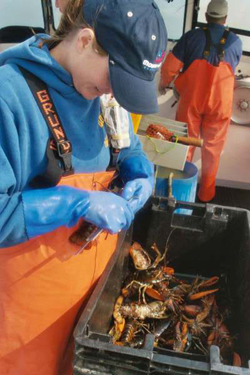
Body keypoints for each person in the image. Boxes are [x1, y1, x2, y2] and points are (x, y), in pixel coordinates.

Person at [0, 0, 167, 374]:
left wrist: (140, 169)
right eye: (115, 78)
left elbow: (127, 145)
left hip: (91, 311)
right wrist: (73, 203)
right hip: (26, 328)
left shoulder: (105, 95)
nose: (115, 92)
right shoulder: (8, 98)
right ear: (85, 40)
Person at [158, 0, 242, 202]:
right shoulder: (236, 42)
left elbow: (170, 68)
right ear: (225, 18)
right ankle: (206, 196)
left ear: (206, 16)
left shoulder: (191, 37)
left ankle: (177, 193)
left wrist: (164, 84)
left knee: (185, 145)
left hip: (192, 102)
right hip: (220, 105)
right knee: (213, 152)